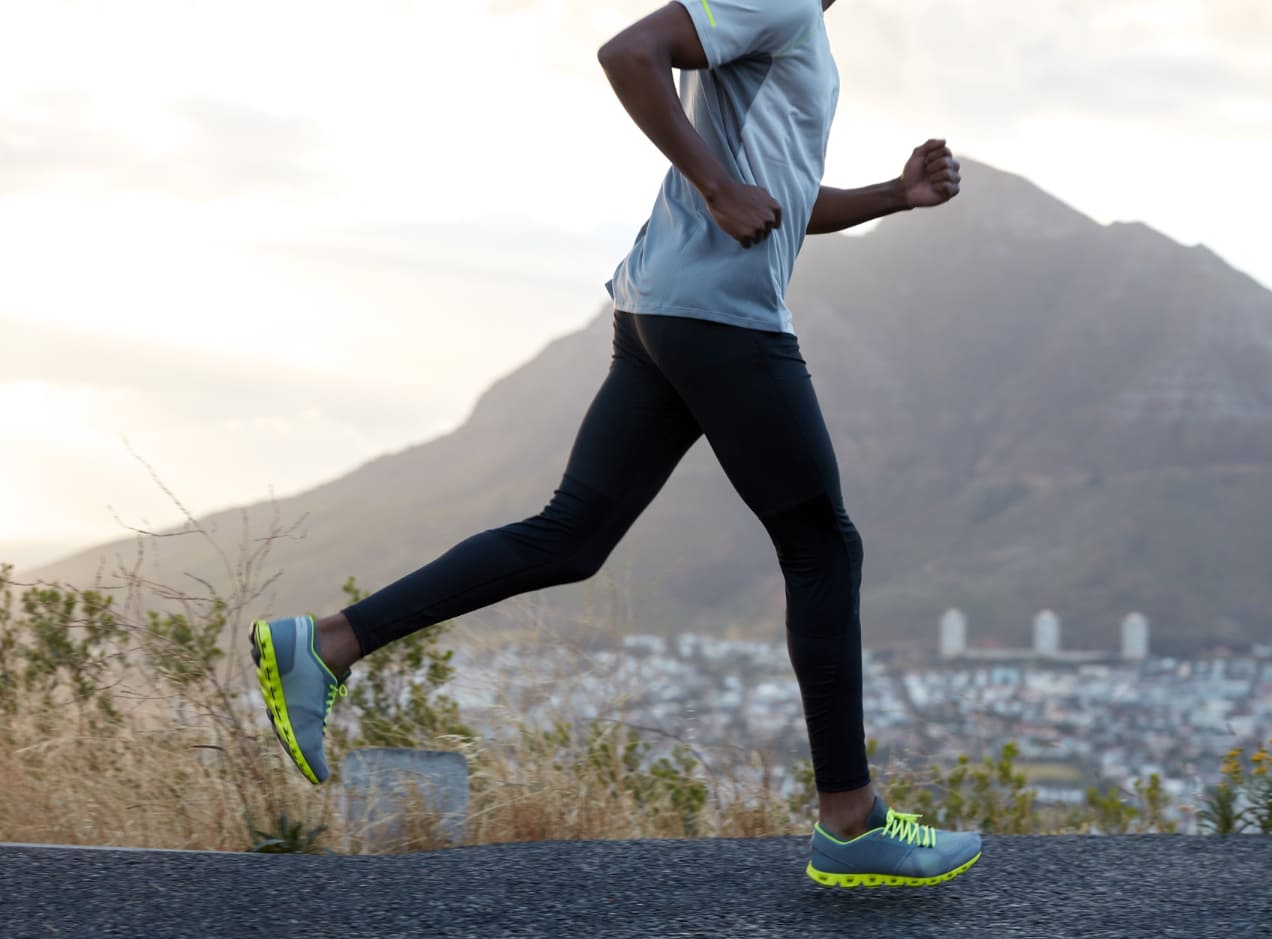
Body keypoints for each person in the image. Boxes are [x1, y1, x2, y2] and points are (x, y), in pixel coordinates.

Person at [251, 0, 980, 887]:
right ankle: (851, 821)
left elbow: (780, 201)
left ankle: (325, 644)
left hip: (662, 311)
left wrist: (894, 197)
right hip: (720, 318)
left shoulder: (799, 28)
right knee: (822, 545)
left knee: (573, 535)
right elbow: (629, 52)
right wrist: (715, 185)